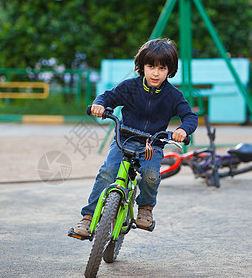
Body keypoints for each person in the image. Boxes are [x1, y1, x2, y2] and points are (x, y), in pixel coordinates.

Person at [73, 38, 198, 236]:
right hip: (125, 139)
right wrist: (99, 105)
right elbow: (107, 97)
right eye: (151, 66)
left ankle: (145, 209)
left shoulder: (173, 96)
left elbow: (190, 116)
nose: (156, 73)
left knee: (150, 174)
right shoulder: (130, 87)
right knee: (107, 172)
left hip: (152, 144)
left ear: (170, 70)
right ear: (142, 67)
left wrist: (183, 130)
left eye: (162, 68)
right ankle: (87, 218)